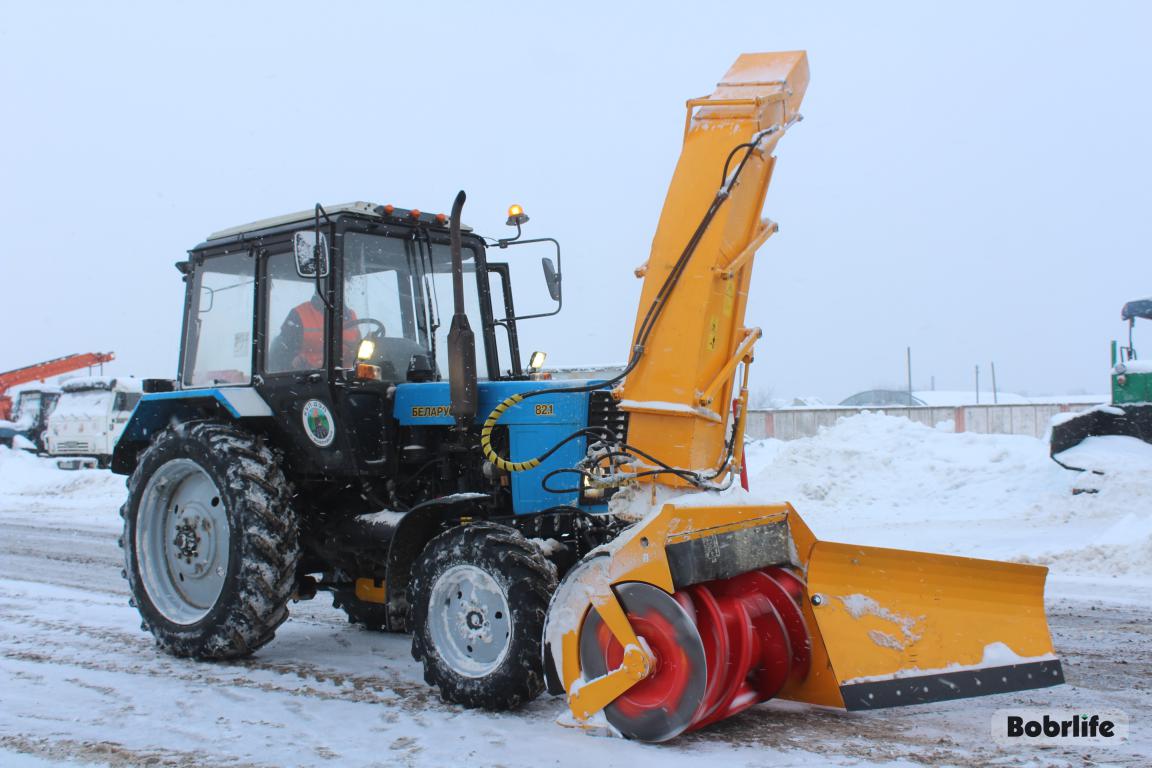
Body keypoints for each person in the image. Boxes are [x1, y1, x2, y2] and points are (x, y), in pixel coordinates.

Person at [269, 294, 360, 371]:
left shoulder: (351, 316)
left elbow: (357, 349)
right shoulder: (299, 315)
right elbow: (282, 355)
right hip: (308, 380)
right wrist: (295, 362)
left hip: (346, 380)